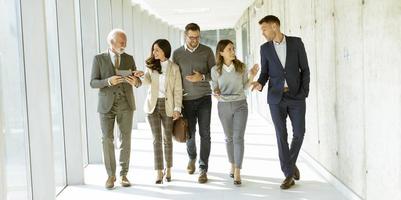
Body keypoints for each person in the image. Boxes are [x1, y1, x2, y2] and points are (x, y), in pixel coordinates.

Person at [250, 15, 310, 189]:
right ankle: (288, 174)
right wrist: (259, 83)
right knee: (281, 135)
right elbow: (265, 73)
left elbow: (305, 69)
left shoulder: (296, 43)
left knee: (299, 132)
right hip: (276, 98)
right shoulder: (265, 49)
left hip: (296, 96)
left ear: (275, 26)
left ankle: (289, 165)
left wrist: (304, 92)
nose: (263, 33)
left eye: (264, 29)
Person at [90, 29, 143, 189]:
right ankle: (110, 175)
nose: (124, 45)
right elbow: (93, 82)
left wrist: (136, 81)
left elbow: (138, 82)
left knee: (125, 139)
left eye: (125, 42)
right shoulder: (98, 59)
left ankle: (124, 174)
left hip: (126, 104)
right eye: (122, 42)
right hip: (106, 105)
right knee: (107, 139)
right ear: (111, 42)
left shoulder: (129, 58)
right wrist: (108, 81)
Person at [211, 39, 259, 185]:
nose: (233, 51)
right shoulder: (215, 70)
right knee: (229, 138)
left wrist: (252, 75)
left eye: (233, 49)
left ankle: (238, 170)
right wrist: (216, 92)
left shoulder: (241, 67)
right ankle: (231, 164)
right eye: (229, 49)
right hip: (223, 106)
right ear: (221, 53)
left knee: (238, 137)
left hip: (240, 105)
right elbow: (215, 87)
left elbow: (245, 86)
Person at [172, 23, 215, 183]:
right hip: (186, 100)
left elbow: (214, 74)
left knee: (205, 133)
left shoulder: (207, 51)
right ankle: (192, 157)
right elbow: (174, 78)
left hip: (204, 97)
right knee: (189, 133)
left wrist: (202, 77)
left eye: (197, 37)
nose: (194, 40)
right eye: (191, 37)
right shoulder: (177, 54)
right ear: (185, 36)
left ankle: (203, 168)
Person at [143, 39, 183, 184]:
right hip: (152, 106)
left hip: (168, 106)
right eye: (153, 50)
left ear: (164, 51)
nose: (154, 53)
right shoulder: (151, 66)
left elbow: (178, 90)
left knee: (167, 139)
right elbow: (146, 81)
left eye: (157, 50)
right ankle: (159, 171)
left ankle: (169, 169)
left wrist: (177, 109)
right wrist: (140, 75)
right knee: (156, 140)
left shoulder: (174, 68)